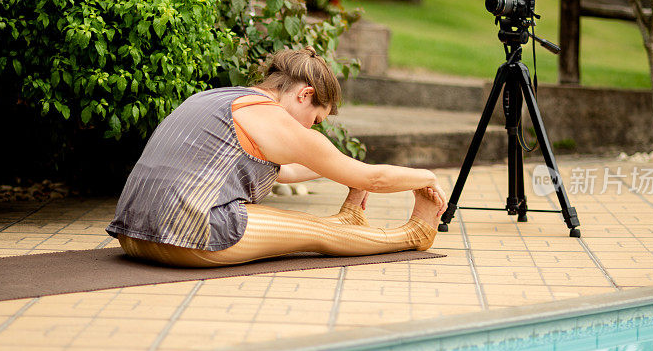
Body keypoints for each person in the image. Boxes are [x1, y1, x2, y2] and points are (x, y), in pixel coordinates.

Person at [106, 46, 447, 267]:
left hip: (134, 235)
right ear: (305, 94)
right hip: (189, 237)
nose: (311, 130)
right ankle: (414, 235)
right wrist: (427, 177)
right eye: (315, 120)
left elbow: (281, 172)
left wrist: (343, 174)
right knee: (318, 234)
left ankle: (347, 221)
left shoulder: (218, 97)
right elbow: (373, 179)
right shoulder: (272, 117)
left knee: (312, 227)